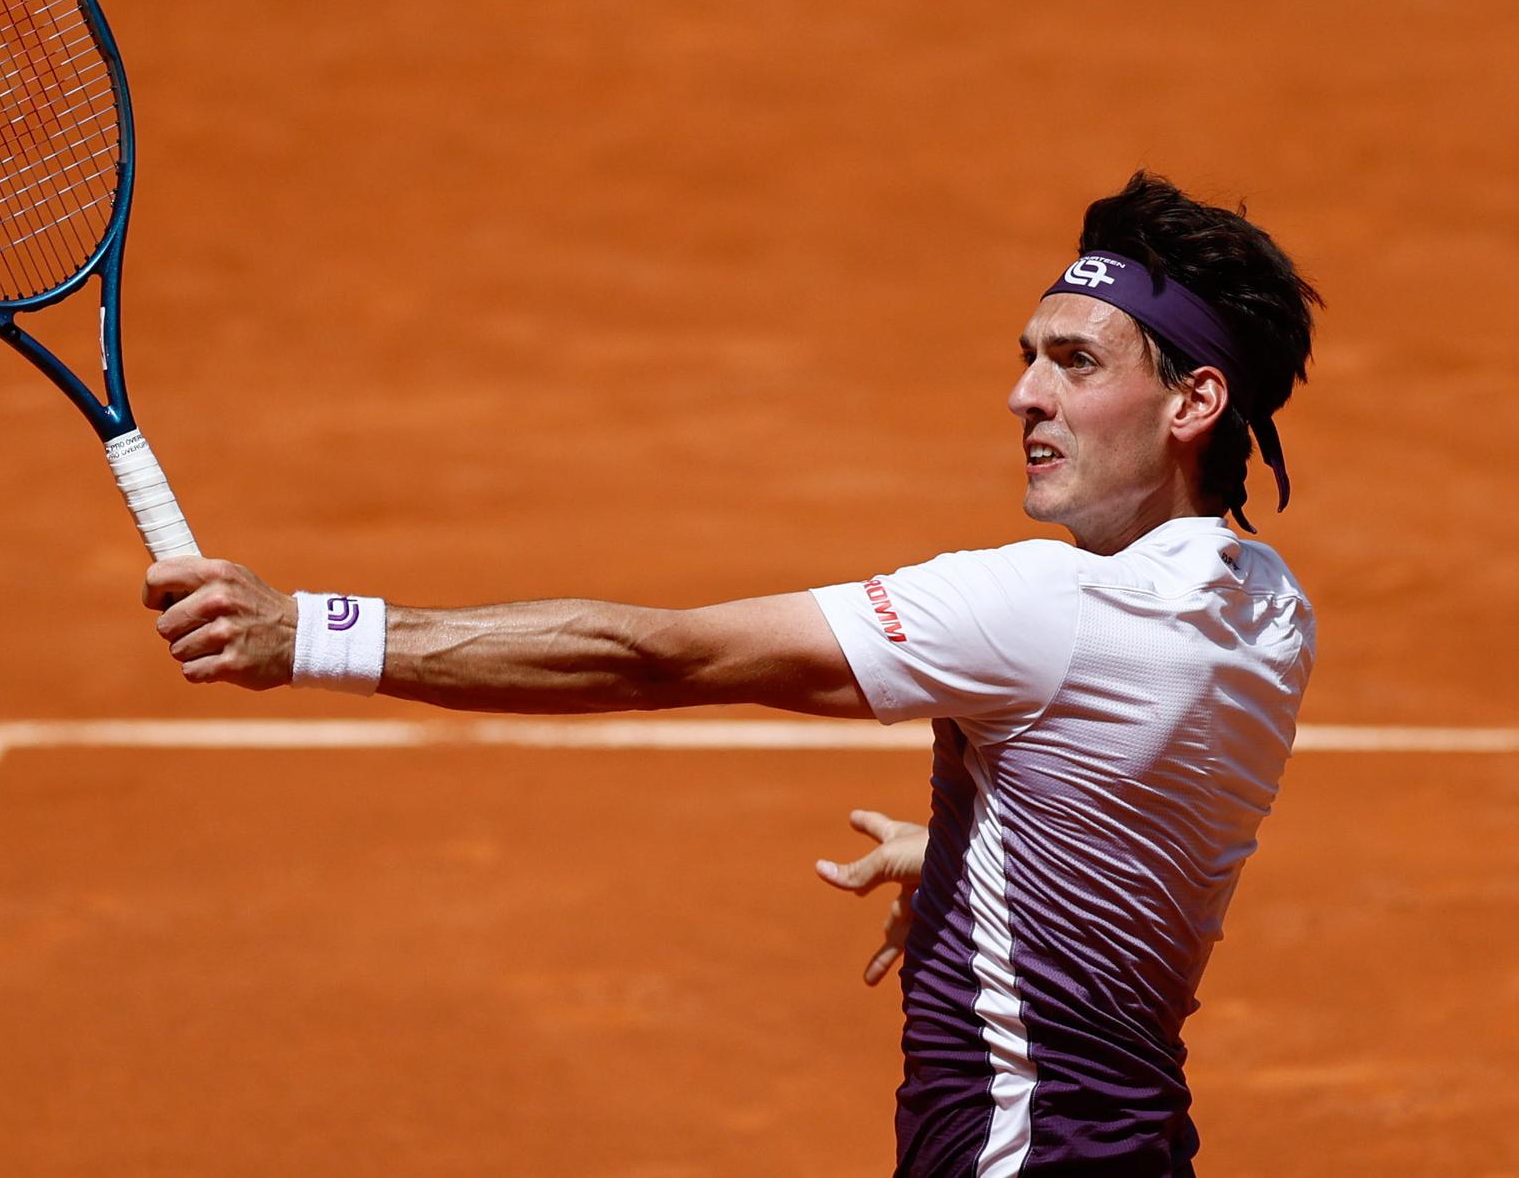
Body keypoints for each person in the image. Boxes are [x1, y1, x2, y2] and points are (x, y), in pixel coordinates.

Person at [143, 172, 1322, 1177]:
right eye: (1027, 358)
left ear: (1192, 400)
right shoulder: (1266, 611)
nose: (1024, 394)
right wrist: (975, 861)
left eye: (1074, 362)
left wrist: (303, 633)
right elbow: (1135, 785)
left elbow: (655, 653)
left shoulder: (1039, 606)